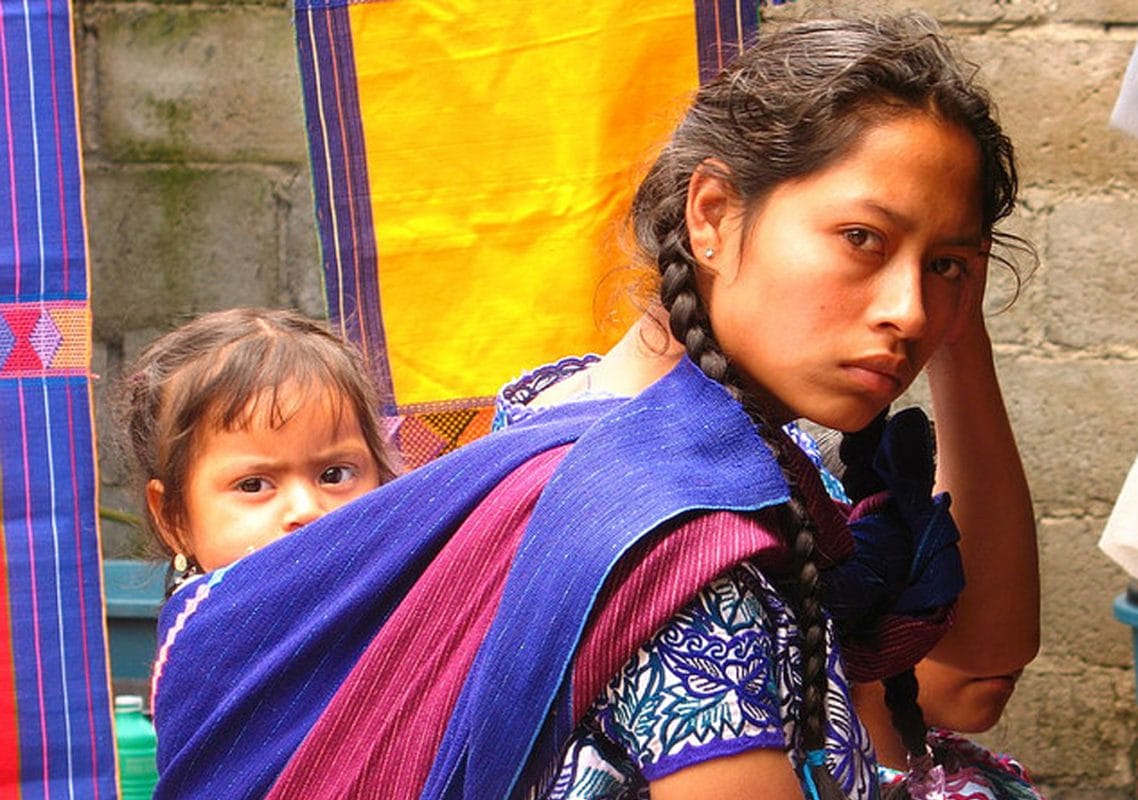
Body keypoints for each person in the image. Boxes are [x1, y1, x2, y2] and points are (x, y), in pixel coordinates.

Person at [149, 12, 1040, 800]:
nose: (911, 311)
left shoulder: (561, 411)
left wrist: (956, 333)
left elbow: (969, 677)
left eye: (947, 266)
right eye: (863, 239)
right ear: (713, 214)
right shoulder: (687, 562)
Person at [117, 306, 398, 586]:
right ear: (174, 520)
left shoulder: (410, 596)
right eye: (253, 485)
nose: (307, 510)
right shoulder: (206, 626)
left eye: (334, 475)